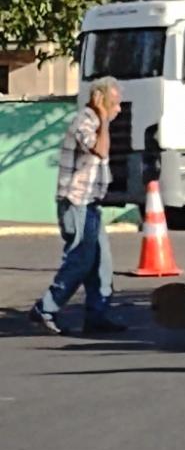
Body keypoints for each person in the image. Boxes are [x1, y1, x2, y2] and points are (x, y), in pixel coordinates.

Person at [29, 77, 127, 335]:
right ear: (101, 101)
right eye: (114, 103)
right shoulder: (85, 121)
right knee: (81, 260)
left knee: (101, 262)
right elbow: (100, 150)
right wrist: (104, 119)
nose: (119, 109)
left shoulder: (94, 122)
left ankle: (97, 314)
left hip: (90, 203)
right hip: (76, 202)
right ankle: (46, 308)